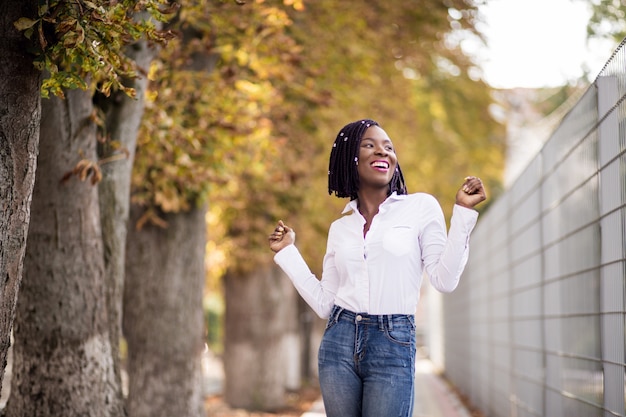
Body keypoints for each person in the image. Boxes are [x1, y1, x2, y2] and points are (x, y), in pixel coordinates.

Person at [268, 118, 486, 417]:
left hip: (393, 339)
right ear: (350, 159)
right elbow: (325, 304)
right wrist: (288, 253)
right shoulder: (340, 227)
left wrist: (462, 213)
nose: (382, 152)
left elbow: (445, 279)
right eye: (369, 145)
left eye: (388, 147)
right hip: (339, 340)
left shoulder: (420, 208)